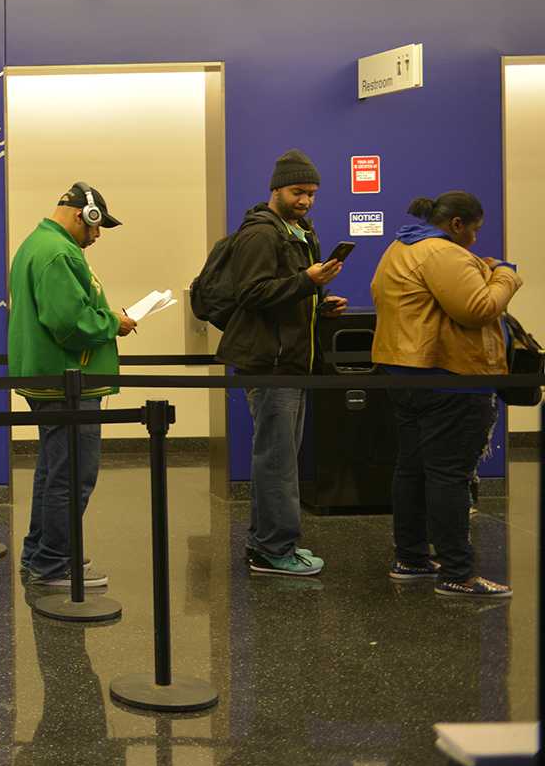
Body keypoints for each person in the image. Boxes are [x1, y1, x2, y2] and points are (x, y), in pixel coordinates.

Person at [370, 192, 521, 599]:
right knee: (449, 475)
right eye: (474, 229)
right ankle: (458, 573)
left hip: (406, 374)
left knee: (412, 469)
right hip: (450, 378)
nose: (474, 239)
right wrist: (505, 275)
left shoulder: (401, 246)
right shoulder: (443, 253)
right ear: (456, 224)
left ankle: (412, 558)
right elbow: (476, 308)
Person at [215, 150, 347, 578]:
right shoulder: (260, 234)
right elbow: (252, 293)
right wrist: (306, 281)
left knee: (279, 457)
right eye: (298, 192)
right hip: (270, 364)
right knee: (277, 460)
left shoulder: (300, 230)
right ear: (276, 189)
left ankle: (266, 544)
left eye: (311, 193)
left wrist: (319, 302)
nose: (306, 200)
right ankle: (275, 549)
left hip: (293, 361)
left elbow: (285, 295)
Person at [7, 183, 134, 590]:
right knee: (72, 475)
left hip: (47, 377)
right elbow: (69, 323)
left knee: (52, 471)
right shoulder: (59, 252)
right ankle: (54, 565)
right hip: (67, 381)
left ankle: (40, 554)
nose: (96, 237)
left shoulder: (37, 244)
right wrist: (115, 322)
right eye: (97, 228)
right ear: (85, 214)